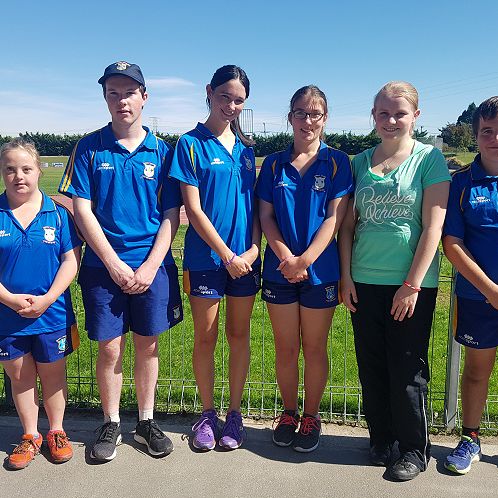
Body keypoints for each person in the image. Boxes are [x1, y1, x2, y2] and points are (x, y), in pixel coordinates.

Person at [58, 61, 183, 461]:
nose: (121, 100)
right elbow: (82, 208)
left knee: (148, 346)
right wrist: (112, 263)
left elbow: (171, 213)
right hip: (102, 268)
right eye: (113, 93)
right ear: (105, 98)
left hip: (152, 267)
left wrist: (150, 266)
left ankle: (146, 421)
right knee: (110, 349)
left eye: (129, 92)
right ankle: (111, 421)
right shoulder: (89, 147)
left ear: (144, 97)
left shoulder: (163, 151)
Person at [339, 81, 450, 480]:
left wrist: (412, 284)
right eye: (383, 113)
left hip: (410, 285)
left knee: (407, 371)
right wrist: (346, 276)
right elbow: (347, 227)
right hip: (363, 281)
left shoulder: (429, 159)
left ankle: (413, 450)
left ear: (415, 116)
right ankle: (381, 440)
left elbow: (433, 227)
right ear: (373, 116)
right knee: (372, 367)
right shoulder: (359, 163)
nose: (390, 120)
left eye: (399, 113)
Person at [256, 85, 353, 452]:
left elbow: (334, 218)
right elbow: (266, 216)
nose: (307, 121)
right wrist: (287, 258)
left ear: (325, 119)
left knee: (314, 348)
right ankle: (289, 413)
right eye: (301, 113)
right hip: (279, 269)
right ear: (290, 117)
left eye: (315, 114)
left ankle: (311, 417)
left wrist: (306, 260)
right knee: (285, 348)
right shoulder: (274, 163)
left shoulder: (337, 162)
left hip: (320, 271)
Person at [169, 65, 260, 451]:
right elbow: (193, 209)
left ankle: (234, 414)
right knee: (206, 338)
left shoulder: (246, 151)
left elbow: (255, 208)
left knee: (239, 336)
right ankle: (207, 414)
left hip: (245, 261)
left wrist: (253, 249)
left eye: (239, 100)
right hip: (207, 260)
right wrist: (226, 255)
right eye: (225, 96)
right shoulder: (190, 144)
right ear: (209, 92)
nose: (231, 105)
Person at [0, 138, 81, 469]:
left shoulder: (58, 214)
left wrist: (48, 299)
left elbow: (71, 260)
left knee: (52, 374)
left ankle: (57, 431)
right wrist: (9, 299)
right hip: (8, 315)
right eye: (10, 169)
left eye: (26, 168)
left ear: (38, 170)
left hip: (52, 314)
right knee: (20, 377)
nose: (19, 176)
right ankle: (30, 435)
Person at [442, 96, 498, 475]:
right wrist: (491, 290)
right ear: (476, 136)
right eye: (488, 131)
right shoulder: (461, 183)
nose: (496, 139)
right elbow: (452, 243)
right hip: (478, 297)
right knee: (478, 371)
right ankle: (471, 438)